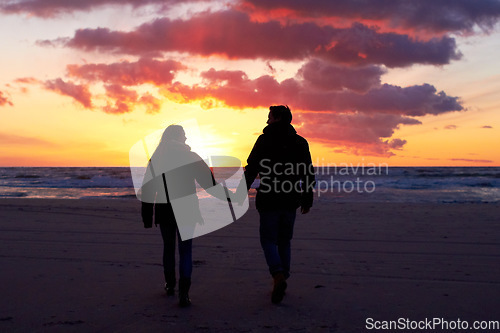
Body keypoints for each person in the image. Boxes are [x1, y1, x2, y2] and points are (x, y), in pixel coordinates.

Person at [238, 105, 315, 304]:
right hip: (291, 198)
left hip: (270, 198)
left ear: (278, 118)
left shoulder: (264, 140)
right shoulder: (300, 142)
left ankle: (278, 275)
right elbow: (307, 172)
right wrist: (307, 198)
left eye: (269, 117)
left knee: (268, 240)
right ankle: (282, 278)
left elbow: (252, 167)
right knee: (284, 240)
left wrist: (241, 191)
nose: (267, 121)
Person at [140, 125, 216, 307]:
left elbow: (148, 189)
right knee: (186, 250)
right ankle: (184, 292)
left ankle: (170, 285)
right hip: (187, 208)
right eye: (184, 136)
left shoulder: (157, 158)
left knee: (168, 248)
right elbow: (209, 183)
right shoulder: (191, 156)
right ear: (180, 138)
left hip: (164, 209)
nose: (186, 139)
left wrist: (147, 216)